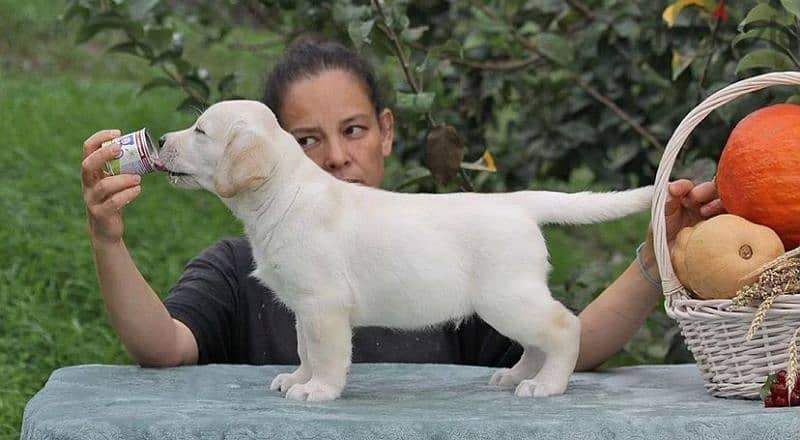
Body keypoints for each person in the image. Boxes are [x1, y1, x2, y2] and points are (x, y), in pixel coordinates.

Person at [80, 39, 724, 373]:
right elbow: (161, 347)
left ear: (387, 130)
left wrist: (655, 258)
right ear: (280, 151)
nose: (332, 157)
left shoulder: (448, 232)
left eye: (353, 130)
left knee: (531, 319)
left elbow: (570, 343)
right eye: (308, 140)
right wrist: (108, 239)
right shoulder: (233, 267)